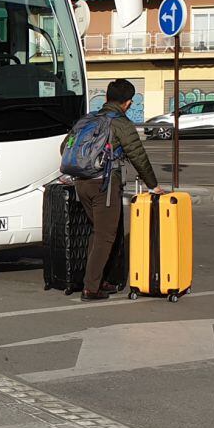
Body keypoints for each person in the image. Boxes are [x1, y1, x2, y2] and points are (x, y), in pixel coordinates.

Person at [72, 78, 163, 301]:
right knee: (105, 236)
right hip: (104, 183)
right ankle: (91, 288)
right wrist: (153, 185)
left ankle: (96, 279)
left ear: (106, 98)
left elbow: (66, 146)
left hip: (81, 182)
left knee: (97, 231)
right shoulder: (121, 123)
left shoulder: (88, 119)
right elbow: (138, 155)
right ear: (128, 103)